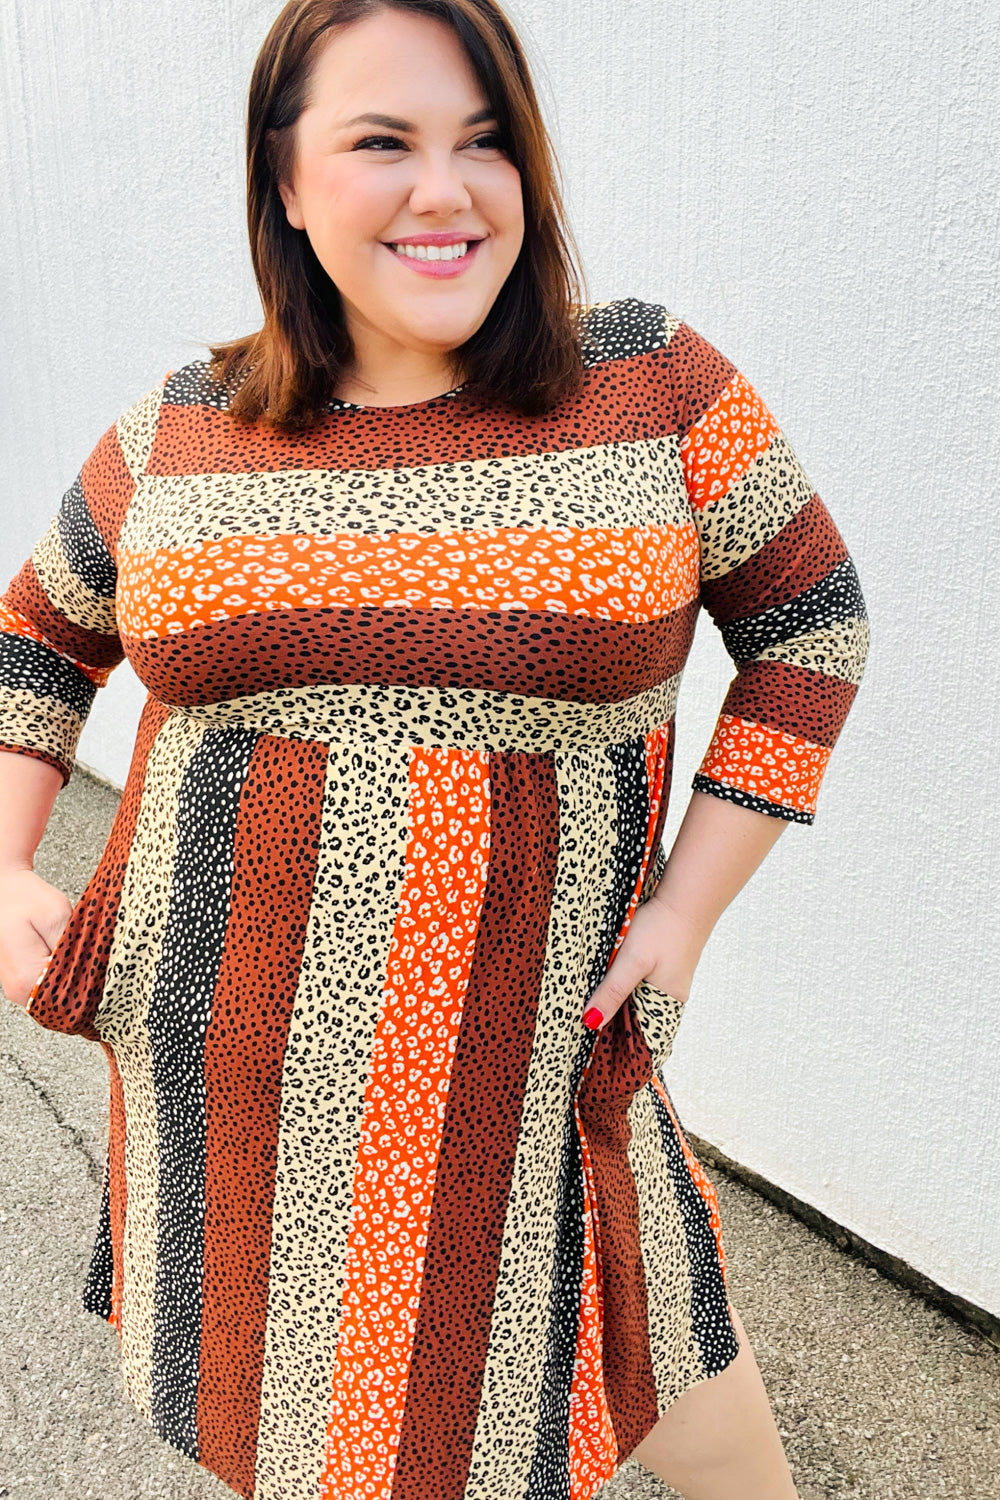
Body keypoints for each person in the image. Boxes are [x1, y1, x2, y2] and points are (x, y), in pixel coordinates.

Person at [0, 1, 869, 1496]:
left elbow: (813, 626)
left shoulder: (648, 383)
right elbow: (35, 638)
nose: (446, 191)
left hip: (525, 1052)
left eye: (485, 142)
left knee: (629, 1318)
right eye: (382, 143)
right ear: (285, 181)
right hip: (228, 1057)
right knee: (293, 1396)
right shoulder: (182, 430)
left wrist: (684, 915)